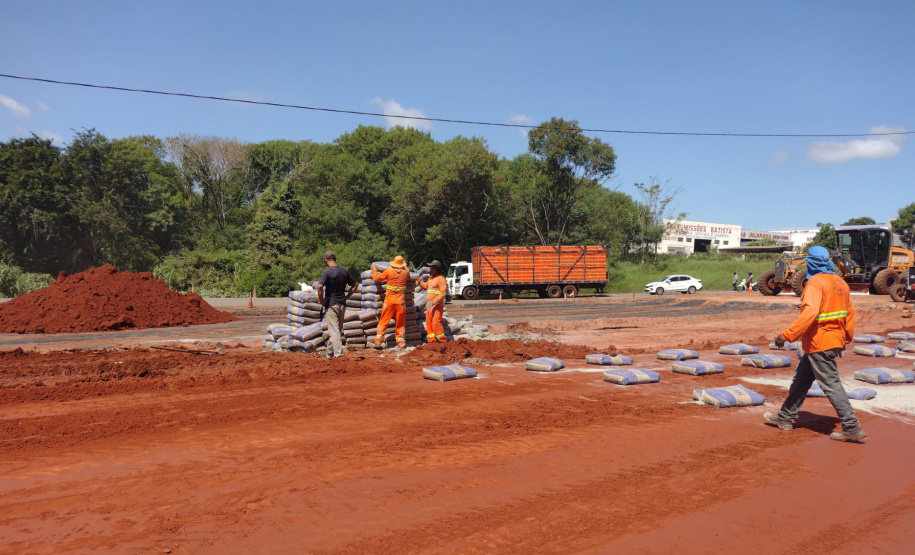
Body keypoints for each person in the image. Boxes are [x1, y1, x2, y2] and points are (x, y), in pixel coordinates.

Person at [764, 246, 866, 441]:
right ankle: (784, 418)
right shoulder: (840, 282)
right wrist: (845, 338)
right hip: (831, 340)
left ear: (812, 262)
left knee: (831, 384)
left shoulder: (815, 282)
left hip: (820, 342)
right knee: (801, 380)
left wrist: (786, 335)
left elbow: (810, 313)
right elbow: (850, 313)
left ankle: (851, 426)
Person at [317, 251, 359, 358]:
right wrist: (347, 297)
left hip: (331, 305)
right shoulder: (344, 271)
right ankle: (329, 354)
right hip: (342, 304)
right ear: (335, 259)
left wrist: (321, 301)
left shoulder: (326, 272)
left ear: (326, 260)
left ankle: (338, 355)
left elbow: (320, 287)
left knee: (334, 331)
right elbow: (355, 284)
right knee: (336, 330)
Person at [372, 255, 410, 349]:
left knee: (383, 322)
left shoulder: (389, 271)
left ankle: (378, 342)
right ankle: (401, 343)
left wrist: (374, 270)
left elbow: (377, 278)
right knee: (400, 323)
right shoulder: (406, 272)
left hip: (389, 302)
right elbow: (407, 269)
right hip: (400, 303)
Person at [419, 260, 448, 343]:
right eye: (430, 267)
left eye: (433, 268)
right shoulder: (430, 278)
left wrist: (434, 301)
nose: (431, 269)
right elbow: (425, 286)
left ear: (437, 269)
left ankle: (442, 341)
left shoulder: (441, 279)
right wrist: (419, 280)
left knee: (435, 323)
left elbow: (442, 293)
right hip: (429, 306)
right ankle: (432, 341)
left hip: (437, 306)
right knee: (429, 323)